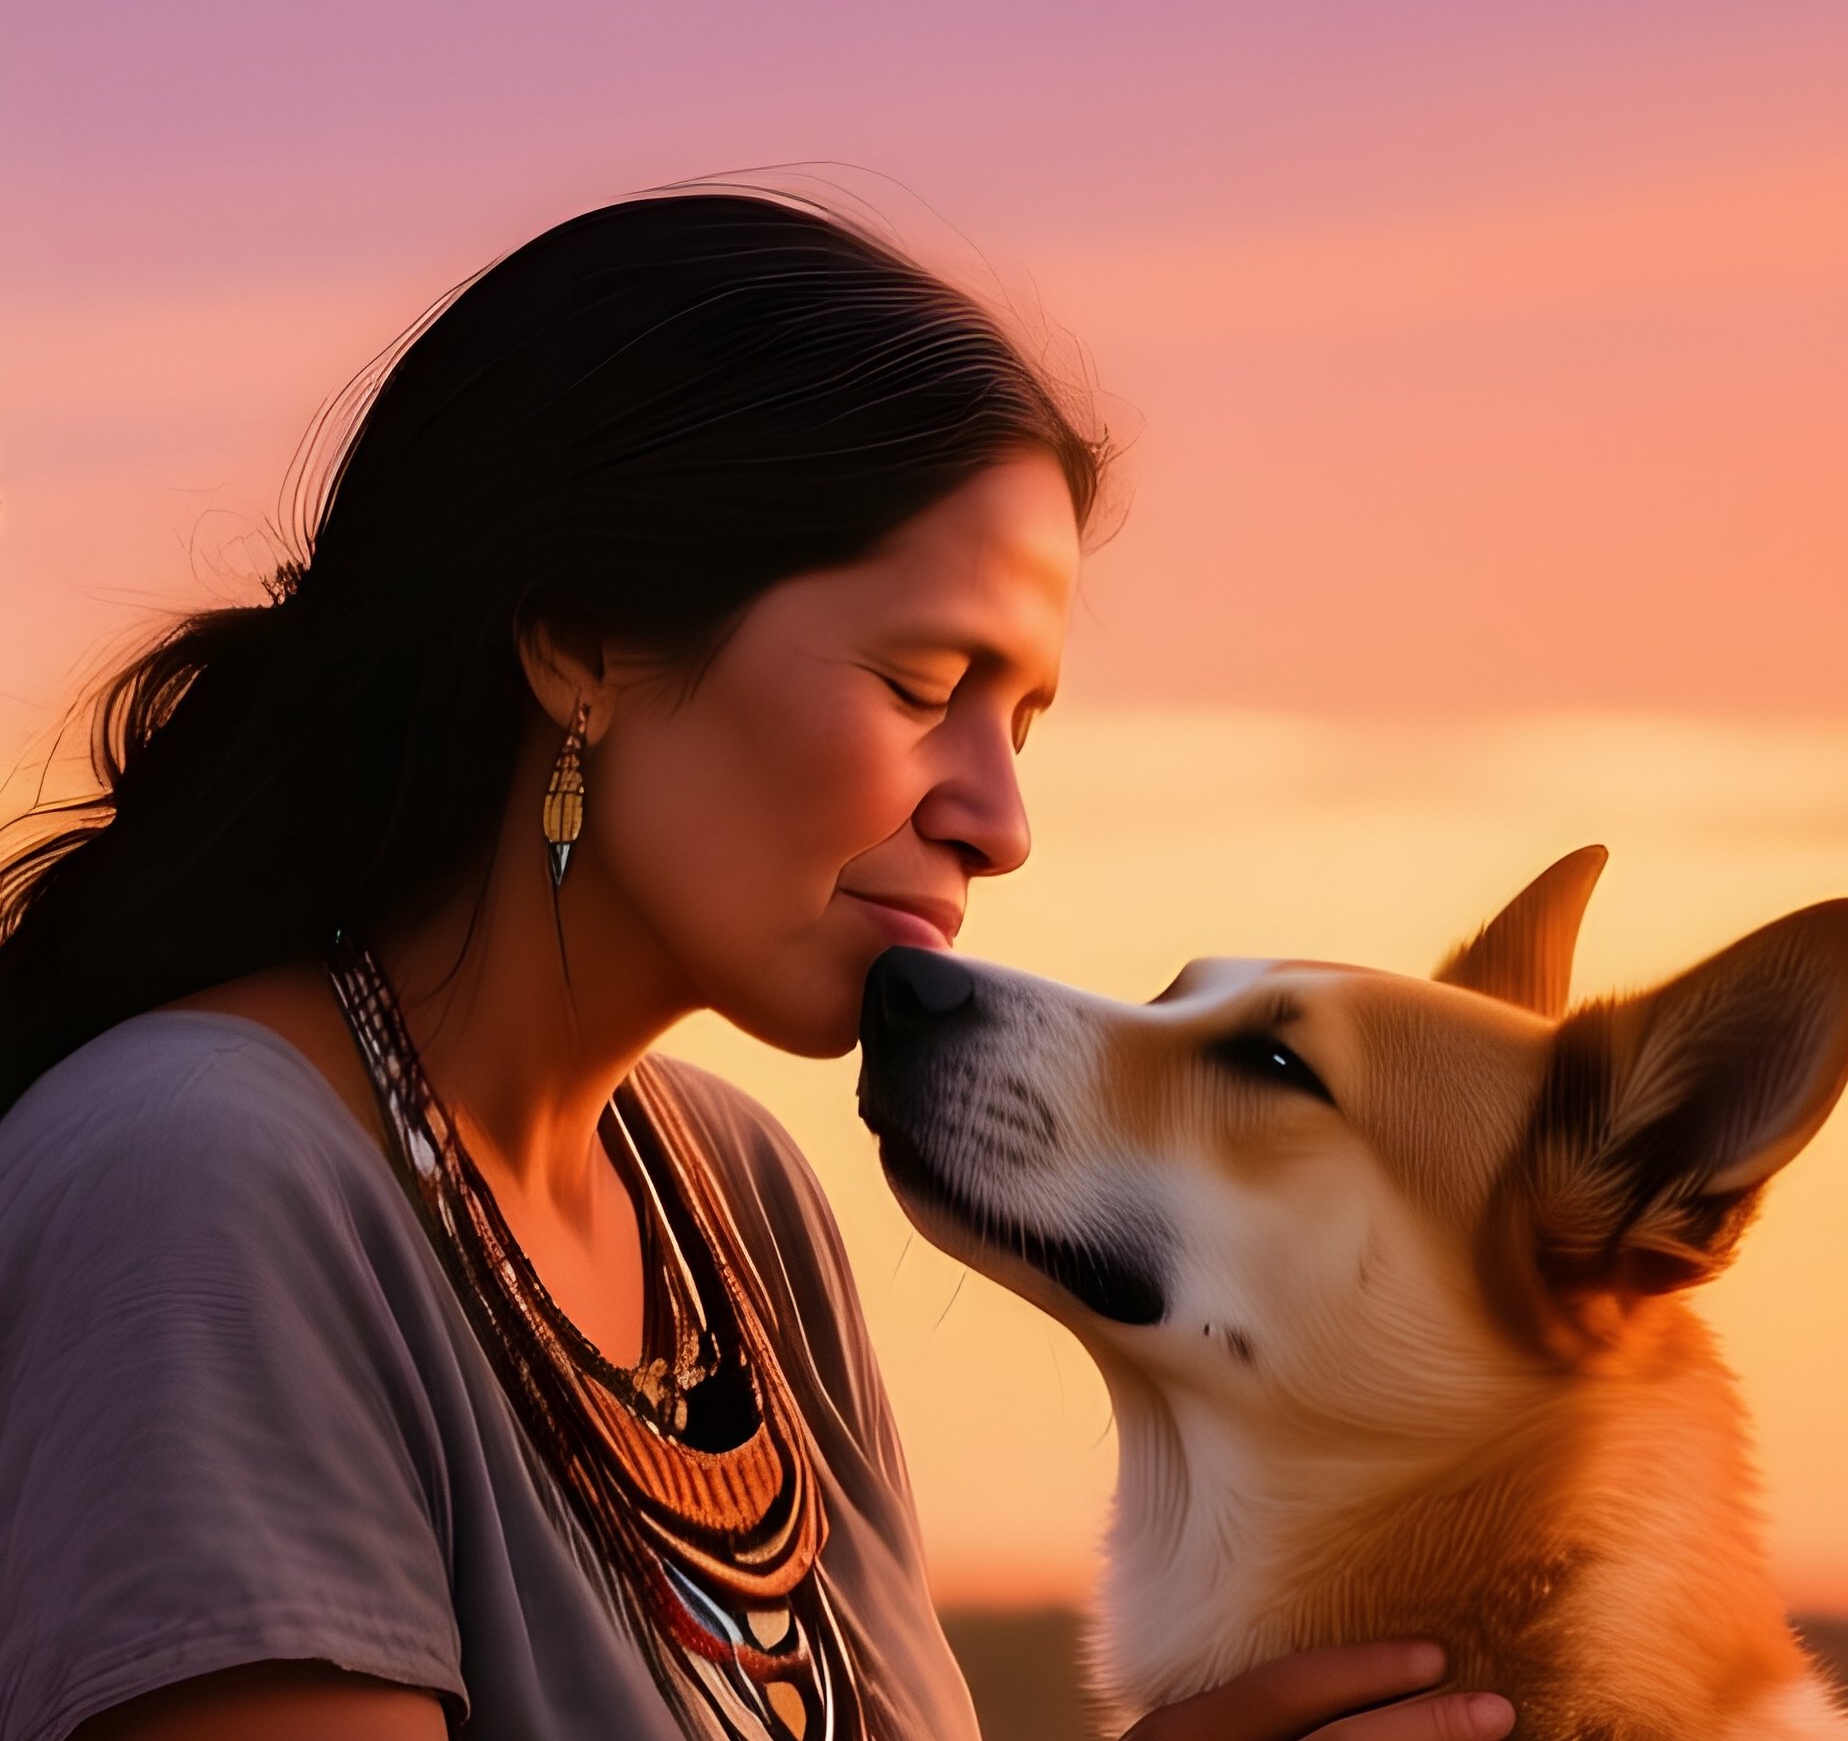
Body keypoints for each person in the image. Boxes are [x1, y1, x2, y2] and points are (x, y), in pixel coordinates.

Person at [0, 187, 1518, 1741]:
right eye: (925, 683)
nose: (1000, 823)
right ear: (583, 644)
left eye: (1026, 723)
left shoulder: (735, 1198)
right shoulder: (200, 1178)